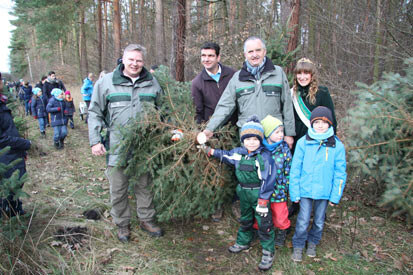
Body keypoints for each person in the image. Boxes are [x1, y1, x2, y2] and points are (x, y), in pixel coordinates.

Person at [88, 44, 163, 242]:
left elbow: (163, 112)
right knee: (118, 188)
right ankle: (122, 224)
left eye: (138, 60)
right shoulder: (106, 83)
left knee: (144, 185)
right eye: (131, 59)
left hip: (144, 148)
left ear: (143, 62)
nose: (135, 64)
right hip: (117, 147)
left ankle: (146, 219)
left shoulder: (152, 83)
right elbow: (94, 112)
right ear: (123, 59)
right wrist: (95, 140)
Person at [201, 116, 276, 271]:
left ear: (260, 140)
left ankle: (268, 251)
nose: (252, 142)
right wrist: (209, 151)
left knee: (264, 223)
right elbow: (225, 155)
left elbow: (268, 180)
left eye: (255, 139)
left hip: (259, 194)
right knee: (245, 218)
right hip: (243, 192)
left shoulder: (264, 157)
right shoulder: (238, 153)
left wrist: (263, 200)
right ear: (243, 140)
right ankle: (243, 241)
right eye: (248, 139)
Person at [199, 36, 295, 149]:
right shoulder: (237, 78)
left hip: (274, 137)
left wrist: (289, 133)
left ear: (264, 51)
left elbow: (287, 105)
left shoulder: (278, 73)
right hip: (249, 138)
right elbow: (225, 106)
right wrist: (210, 129)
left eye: (258, 50)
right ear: (245, 55)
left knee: (273, 167)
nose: (254, 55)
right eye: (250, 51)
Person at [289, 106, 346, 262]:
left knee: (319, 221)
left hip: (325, 192)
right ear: (311, 123)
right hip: (305, 190)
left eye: (324, 122)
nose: (320, 125)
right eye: (316, 122)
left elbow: (340, 173)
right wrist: (294, 192)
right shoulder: (303, 143)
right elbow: (295, 169)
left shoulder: (336, 146)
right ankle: (299, 245)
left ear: (330, 124)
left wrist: (335, 196)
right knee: (302, 220)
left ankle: (313, 242)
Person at [191, 42, 237, 221]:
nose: (206, 59)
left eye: (210, 56)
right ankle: (216, 204)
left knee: (237, 165)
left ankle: (236, 201)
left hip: (235, 129)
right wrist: (202, 134)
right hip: (214, 133)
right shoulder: (198, 82)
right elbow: (198, 112)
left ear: (218, 57)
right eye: (203, 56)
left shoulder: (232, 75)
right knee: (214, 169)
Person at [288, 57, 338, 218]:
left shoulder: (322, 92)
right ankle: (297, 204)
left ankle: (317, 207)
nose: (302, 77)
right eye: (299, 73)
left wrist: (332, 140)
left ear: (312, 75)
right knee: (300, 170)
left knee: (316, 171)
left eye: (306, 73)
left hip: (317, 140)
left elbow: (331, 118)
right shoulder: (292, 93)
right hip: (298, 140)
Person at [256, 115, 292, 247]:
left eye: (282, 131)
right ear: (267, 133)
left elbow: (288, 168)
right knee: (262, 212)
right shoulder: (260, 150)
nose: (281, 135)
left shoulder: (284, 149)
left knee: (280, 214)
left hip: (279, 190)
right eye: (277, 132)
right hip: (263, 190)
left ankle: (282, 231)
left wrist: (286, 186)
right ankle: (259, 230)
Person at [0, 78, 31, 217]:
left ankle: (14, 208)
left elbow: (9, 130)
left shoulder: (2, 102)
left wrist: (21, 150)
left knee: (16, 182)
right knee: (9, 185)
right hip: (5, 155)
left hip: (13, 152)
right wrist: (24, 143)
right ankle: (9, 213)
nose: (1, 82)